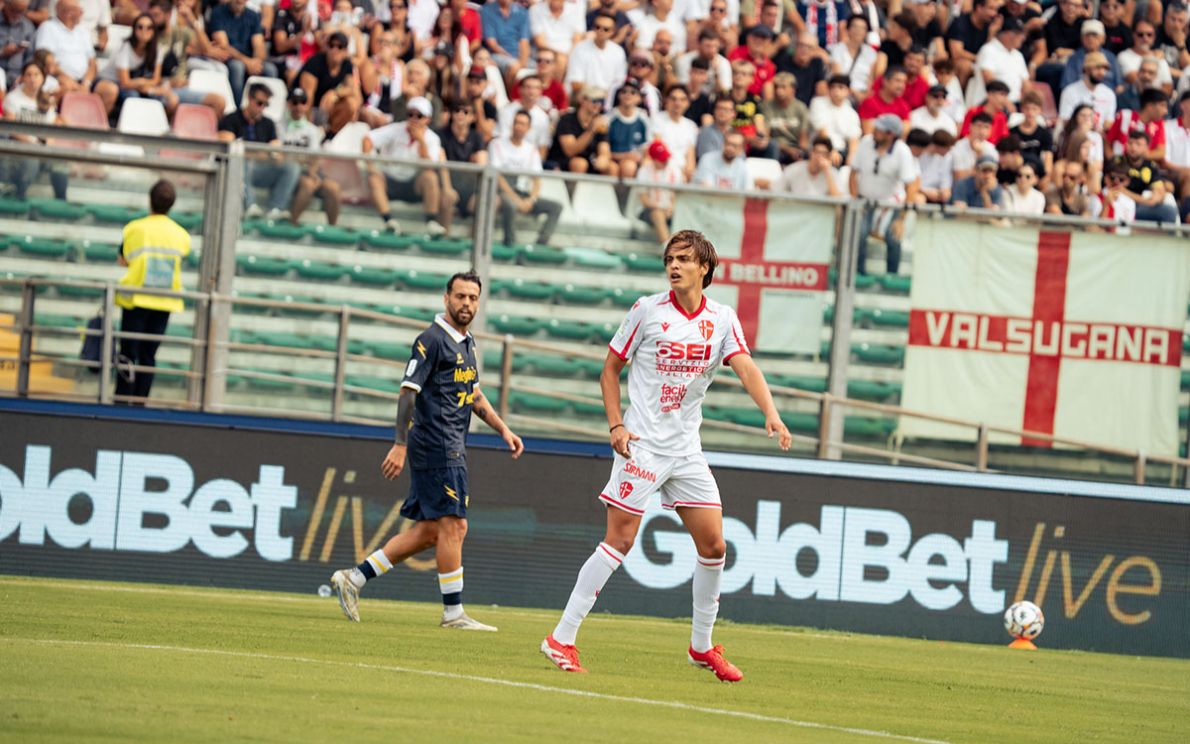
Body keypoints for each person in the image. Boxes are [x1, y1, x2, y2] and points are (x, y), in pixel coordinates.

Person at [540, 230, 793, 678]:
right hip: (642, 445)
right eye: (669, 259)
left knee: (714, 545)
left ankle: (700, 647)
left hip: (685, 451)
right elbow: (609, 370)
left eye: (683, 259)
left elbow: (747, 367)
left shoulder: (722, 319)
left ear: (704, 268)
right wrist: (617, 425)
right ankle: (561, 638)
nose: (674, 266)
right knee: (618, 541)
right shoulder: (646, 310)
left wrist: (771, 413)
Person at [330, 271, 525, 630]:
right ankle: (453, 613)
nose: (466, 304)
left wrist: (503, 429)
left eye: (473, 298)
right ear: (445, 298)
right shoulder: (431, 340)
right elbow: (408, 392)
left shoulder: (467, 344)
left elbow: (474, 395)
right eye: (460, 296)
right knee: (456, 525)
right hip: (436, 445)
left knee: (431, 533)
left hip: (452, 444)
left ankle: (353, 579)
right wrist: (400, 445)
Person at [114, 179, 190, 403]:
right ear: (172, 204)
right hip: (164, 302)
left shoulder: (134, 228)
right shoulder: (181, 235)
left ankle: (121, 399)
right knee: (149, 355)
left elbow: (123, 259)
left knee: (128, 353)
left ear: (150, 201)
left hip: (136, 300)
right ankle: (141, 401)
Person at [364, 95, 455, 234]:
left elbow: (429, 166)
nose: (413, 119)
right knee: (374, 177)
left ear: (427, 119)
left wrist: (420, 141)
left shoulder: (432, 139)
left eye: (419, 116)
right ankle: (388, 221)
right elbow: (368, 139)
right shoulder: (396, 129)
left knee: (430, 177)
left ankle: (431, 221)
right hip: (391, 180)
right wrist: (370, 164)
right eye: (410, 114)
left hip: (413, 184)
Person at [218, 82, 300, 220]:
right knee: (241, 162)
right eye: (259, 103)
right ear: (249, 99)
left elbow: (277, 154)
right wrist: (260, 154)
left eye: (266, 105)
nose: (262, 108)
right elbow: (228, 150)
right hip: (236, 172)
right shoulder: (230, 119)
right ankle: (250, 206)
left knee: (291, 168)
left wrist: (252, 153)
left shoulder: (268, 124)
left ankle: (276, 209)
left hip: (259, 171)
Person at [850, 113, 919, 275]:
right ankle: (858, 274)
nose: (874, 131)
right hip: (864, 199)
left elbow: (911, 186)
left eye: (879, 130)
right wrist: (855, 199)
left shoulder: (902, 151)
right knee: (859, 233)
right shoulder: (866, 142)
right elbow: (853, 173)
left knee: (893, 236)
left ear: (890, 134)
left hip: (890, 202)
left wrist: (901, 219)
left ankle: (892, 275)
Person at [489, 109, 564, 246]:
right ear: (512, 124)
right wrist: (516, 199)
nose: (518, 126)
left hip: (523, 192)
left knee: (556, 207)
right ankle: (510, 242)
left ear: (528, 128)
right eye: (516, 122)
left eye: (522, 124)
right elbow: (498, 177)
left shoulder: (531, 150)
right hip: (503, 191)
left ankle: (541, 243)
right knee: (510, 204)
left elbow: (536, 179)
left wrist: (531, 199)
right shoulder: (497, 144)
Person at [281, 88, 341, 226]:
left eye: (302, 102)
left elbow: (314, 158)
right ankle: (292, 224)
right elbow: (279, 156)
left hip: (308, 172)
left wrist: (312, 173)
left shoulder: (312, 130)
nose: (298, 106)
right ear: (288, 104)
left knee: (333, 188)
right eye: (294, 102)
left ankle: (332, 229)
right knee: (307, 185)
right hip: (287, 172)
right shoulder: (278, 127)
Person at [209, 0, 277, 107]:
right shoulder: (218, 13)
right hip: (228, 58)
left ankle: (267, 112)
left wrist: (256, 62)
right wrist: (247, 62)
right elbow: (223, 45)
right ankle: (238, 108)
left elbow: (259, 44)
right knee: (237, 67)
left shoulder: (253, 15)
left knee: (270, 69)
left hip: (250, 59)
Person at [33, 0, 97, 96]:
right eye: (79, 10)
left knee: (108, 89)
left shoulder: (83, 31)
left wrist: (86, 84)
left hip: (85, 81)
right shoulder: (48, 27)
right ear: (68, 13)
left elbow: (92, 62)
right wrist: (71, 82)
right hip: (58, 78)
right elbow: (45, 59)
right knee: (66, 86)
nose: (82, 13)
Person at [1114, 130, 1180, 222]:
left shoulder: (1151, 166)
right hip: (1120, 204)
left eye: (1138, 144)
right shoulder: (1118, 162)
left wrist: (1157, 195)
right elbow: (1117, 189)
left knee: (1169, 209)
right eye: (1130, 143)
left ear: (1146, 148)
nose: (1133, 147)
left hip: (1141, 206)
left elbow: (1158, 189)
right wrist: (1146, 201)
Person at [548, 85, 614, 174]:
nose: (598, 105)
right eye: (595, 101)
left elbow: (604, 148)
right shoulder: (567, 119)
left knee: (611, 167)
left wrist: (603, 158)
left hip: (588, 160)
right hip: (562, 161)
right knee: (580, 163)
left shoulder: (600, 121)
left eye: (601, 102)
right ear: (582, 100)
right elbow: (570, 151)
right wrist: (591, 130)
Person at [565, 11, 627, 101]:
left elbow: (619, 82)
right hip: (584, 97)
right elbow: (576, 83)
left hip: (608, 99)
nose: (601, 31)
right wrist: (596, 95)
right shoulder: (580, 49)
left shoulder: (618, 52)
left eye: (606, 29)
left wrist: (606, 97)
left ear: (613, 32)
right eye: (597, 27)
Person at [636, 139, 684, 244]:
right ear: (653, 160)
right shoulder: (644, 172)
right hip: (649, 210)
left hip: (670, 209)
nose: (665, 161)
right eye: (662, 160)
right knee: (658, 214)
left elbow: (677, 195)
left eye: (666, 158)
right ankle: (669, 249)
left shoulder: (674, 170)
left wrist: (671, 208)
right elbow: (644, 200)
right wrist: (661, 207)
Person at [808, 73, 861, 163]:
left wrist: (851, 159)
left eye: (840, 87)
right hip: (820, 148)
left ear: (848, 91)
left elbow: (854, 139)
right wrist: (831, 150)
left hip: (842, 151)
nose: (836, 90)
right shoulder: (818, 103)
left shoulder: (851, 113)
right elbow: (822, 131)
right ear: (828, 90)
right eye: (833, 87)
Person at [763, 71, 810, 163]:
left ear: (793, 89)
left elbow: (803, 138)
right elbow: (766, 137)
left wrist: (800, 152)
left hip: (795, 146)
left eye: (783, 87)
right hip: (775, 146)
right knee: (772, 148)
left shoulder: (801, 108)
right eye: (776, 87)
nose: (778, 91)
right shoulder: (767, 106)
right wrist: (787, 149)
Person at [774, 135, 841, 196]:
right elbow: (776, 189)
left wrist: (827, 171)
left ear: (828, 156)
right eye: (816, 152)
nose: (819, 156)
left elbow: (838, 199)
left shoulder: (832, 173)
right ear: (811, 152)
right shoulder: (794, 168)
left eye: (823, 154)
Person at [481, 0, 530, 81]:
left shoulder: (522, 12)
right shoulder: (487, 11)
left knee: (544, 66)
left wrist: (523, 61)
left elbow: (524, 40)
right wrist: (512, 58)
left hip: (518, 55)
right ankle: (510, 93)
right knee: (514, 66)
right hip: (496, 54)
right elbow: (491, 43)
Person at [1, 0, 36, 87]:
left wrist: (24, 75)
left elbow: (30, 57)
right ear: (5, 5)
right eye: (14, 10)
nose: (17, 15)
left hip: (18, 75)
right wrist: (2, 52)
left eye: (21, 11)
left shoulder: (28, 26)